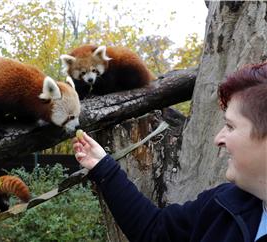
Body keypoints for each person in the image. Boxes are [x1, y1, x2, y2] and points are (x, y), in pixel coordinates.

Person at [72, 62, 267, 242]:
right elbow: (154, 230)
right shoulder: (226, 204)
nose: (218, 139)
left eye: (230, 126)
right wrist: (103, 166)